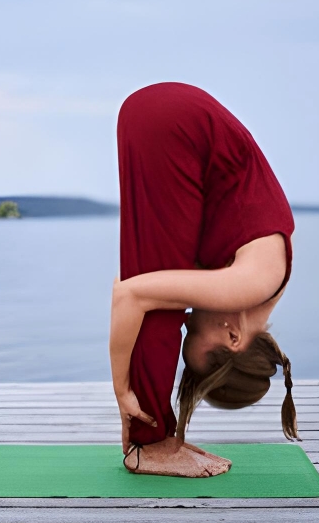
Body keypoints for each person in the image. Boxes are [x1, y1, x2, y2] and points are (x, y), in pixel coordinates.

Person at [110, 82, 298, 478]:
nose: (190, 318)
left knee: (158, 289)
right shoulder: (249, 285)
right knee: (158, 304)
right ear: (233, 339)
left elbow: (133, 281)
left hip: (174, 114)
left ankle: (162, 438)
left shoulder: (259, 281)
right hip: (175, 125)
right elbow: (128, 294)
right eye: (192, 335)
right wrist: (123, 390)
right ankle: (151, 444)